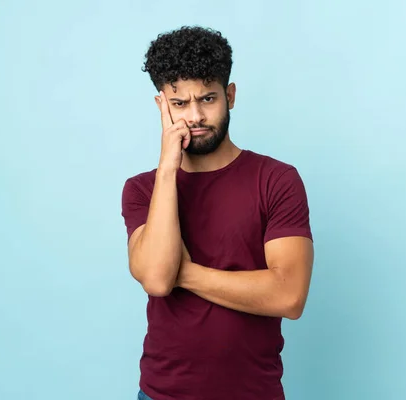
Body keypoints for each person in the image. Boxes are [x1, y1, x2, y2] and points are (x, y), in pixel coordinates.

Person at [121, 26, 315, 400]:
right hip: (163, 394)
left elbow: (289, 295)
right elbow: (158, 281)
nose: (195, 116)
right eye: (180, 104)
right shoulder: (142, 189)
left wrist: (186, 272)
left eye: (208, 99)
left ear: (230, 96)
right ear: (162, 105)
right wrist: (167, 167)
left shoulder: (276, 180)